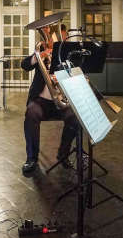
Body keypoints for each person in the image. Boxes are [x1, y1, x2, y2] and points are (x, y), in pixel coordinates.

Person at [21, 25, 79, 174]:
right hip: (41, 101)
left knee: (75, 118)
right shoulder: (41, 52)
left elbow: (77, 75)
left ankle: (63, 154)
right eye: (54, 37)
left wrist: (62, 77)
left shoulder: (68, 55)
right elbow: (25, 65)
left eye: (61, 37)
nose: (58, 40)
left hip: (62, 100)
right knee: (31, 113)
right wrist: (39, 56)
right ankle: (31, 158)